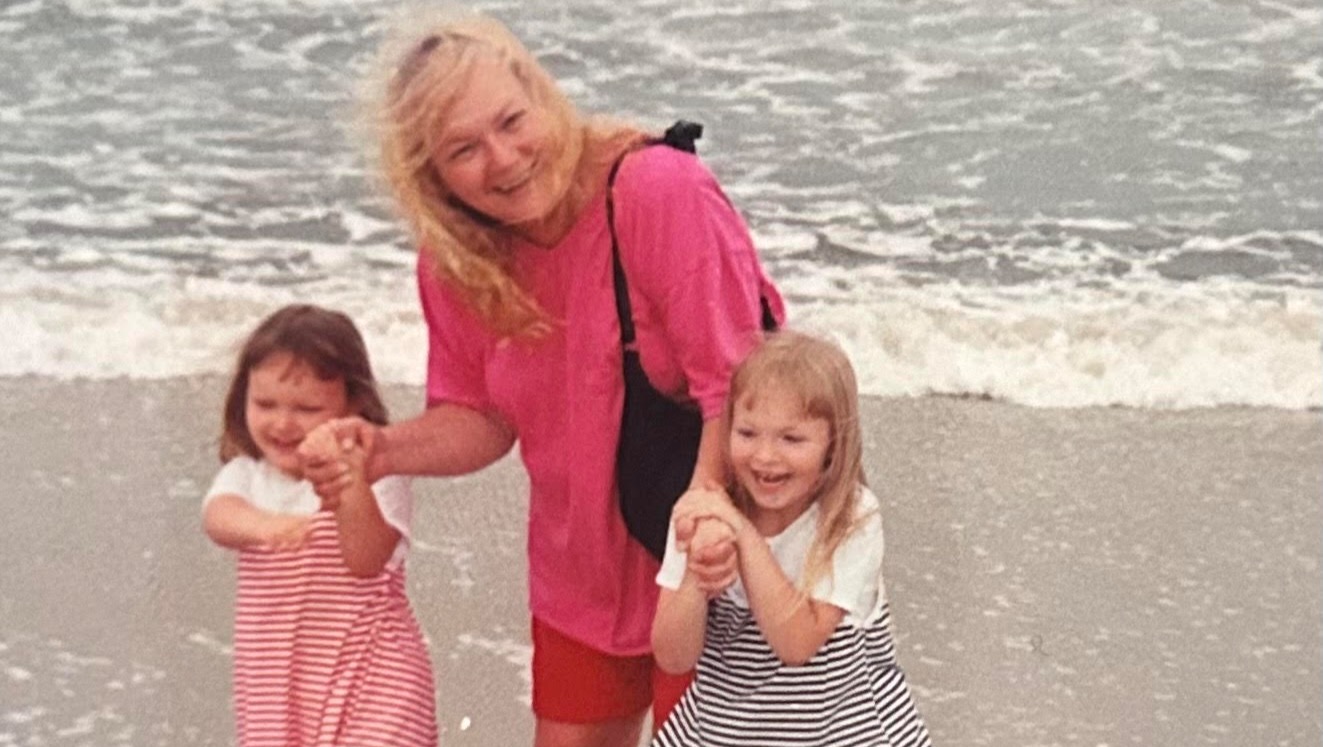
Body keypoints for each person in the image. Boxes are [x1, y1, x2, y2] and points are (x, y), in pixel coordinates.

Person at [299, 8, 784, 747]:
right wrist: (379, 450)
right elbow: (481, 417)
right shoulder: (457, 263)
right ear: (432, 177)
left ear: (541, 94)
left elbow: (739, 387)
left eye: (511, 121)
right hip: (579, 578)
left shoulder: (656, 190)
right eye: (463, 150)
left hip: (713, 569)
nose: (502, 160)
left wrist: (701, 541)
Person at [650, 330, 932, 747]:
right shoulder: (707, 511)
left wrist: (743, 536)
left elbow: (797, 643)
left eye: (791, 438)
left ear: (833, 447)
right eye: (748, 433)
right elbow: (673, 658)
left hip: (840, 732)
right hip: (726, 730)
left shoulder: (850, 517)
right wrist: (698, 570)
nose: (765, 456)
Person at [202, 304, 438, 747]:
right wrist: (266, 527)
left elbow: (366, 560)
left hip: (373, 677)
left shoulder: (378, 473)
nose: (282, 423)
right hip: (280, 685)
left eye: (307, 408)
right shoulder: (248, 476)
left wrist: (350, 481)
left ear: (354, 405)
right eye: (264, 404)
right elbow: (217, 517)